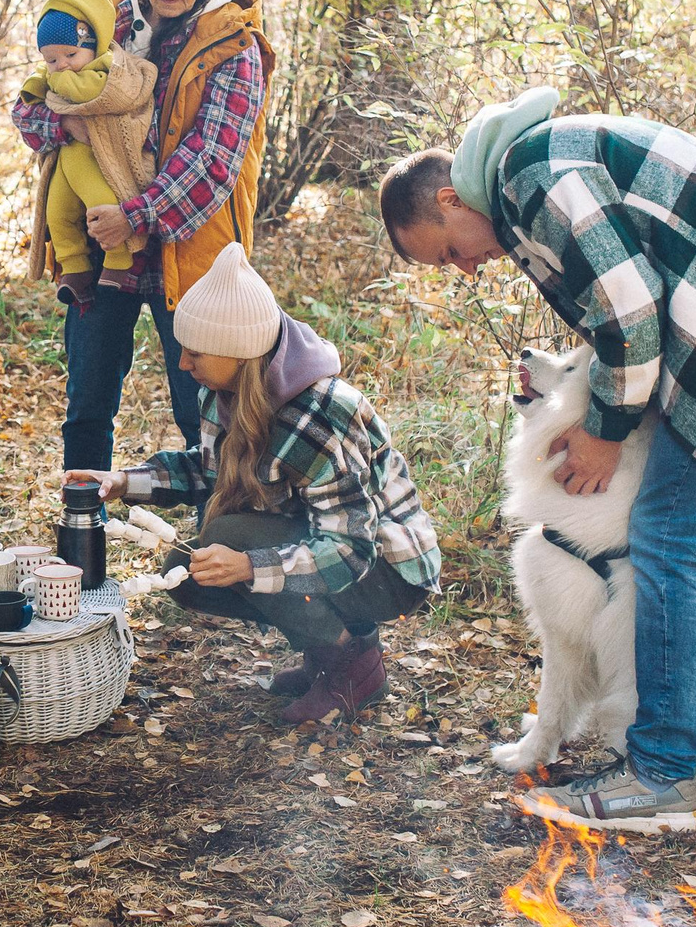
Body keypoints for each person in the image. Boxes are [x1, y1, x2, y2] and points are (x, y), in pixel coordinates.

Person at [377, 89, 696, 834]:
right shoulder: (529, 183)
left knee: (675, 536)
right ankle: (674, 749)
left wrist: (604, 430)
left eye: (448, 251)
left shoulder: (532, 171)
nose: (464, 270)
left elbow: (631, 311)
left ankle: (661, 776)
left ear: (451, 197)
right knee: (676, 533)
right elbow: (621, 317)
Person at [67, 244, 440, 723]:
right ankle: (324, 655)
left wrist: (247, 565)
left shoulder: (317, 418)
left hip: (390, 571)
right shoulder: (223, 392)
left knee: (230, 541)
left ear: (239, 354)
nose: (183, 363)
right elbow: (206, 470)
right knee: (189, 570)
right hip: (333, 550)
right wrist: (121, 482)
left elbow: (350, 549)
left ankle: (353, 664)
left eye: (195, 352)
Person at [11, 0, 272, 472]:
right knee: (87, 405)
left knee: (204, 412)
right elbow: (35, 101)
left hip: (191, 252)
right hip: (103, 252)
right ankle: (80, 543)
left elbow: (213, 162)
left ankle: (214, 546)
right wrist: (65, 128)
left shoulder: (236, 46)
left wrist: (134, 216)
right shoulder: (103, 22)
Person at [23, 0, 157, 304]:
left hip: (98, 158)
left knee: (100, 204)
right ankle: (75, 267)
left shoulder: (106, 66)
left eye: (69, 55)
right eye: (51, 60)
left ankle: (118, 260)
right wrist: (46, 98)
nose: (62, 65)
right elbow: (23, 110)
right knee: (57, 213)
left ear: (90, 43)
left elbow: (88, 91)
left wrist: (53, 83)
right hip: (66, 156)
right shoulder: (59, 71)